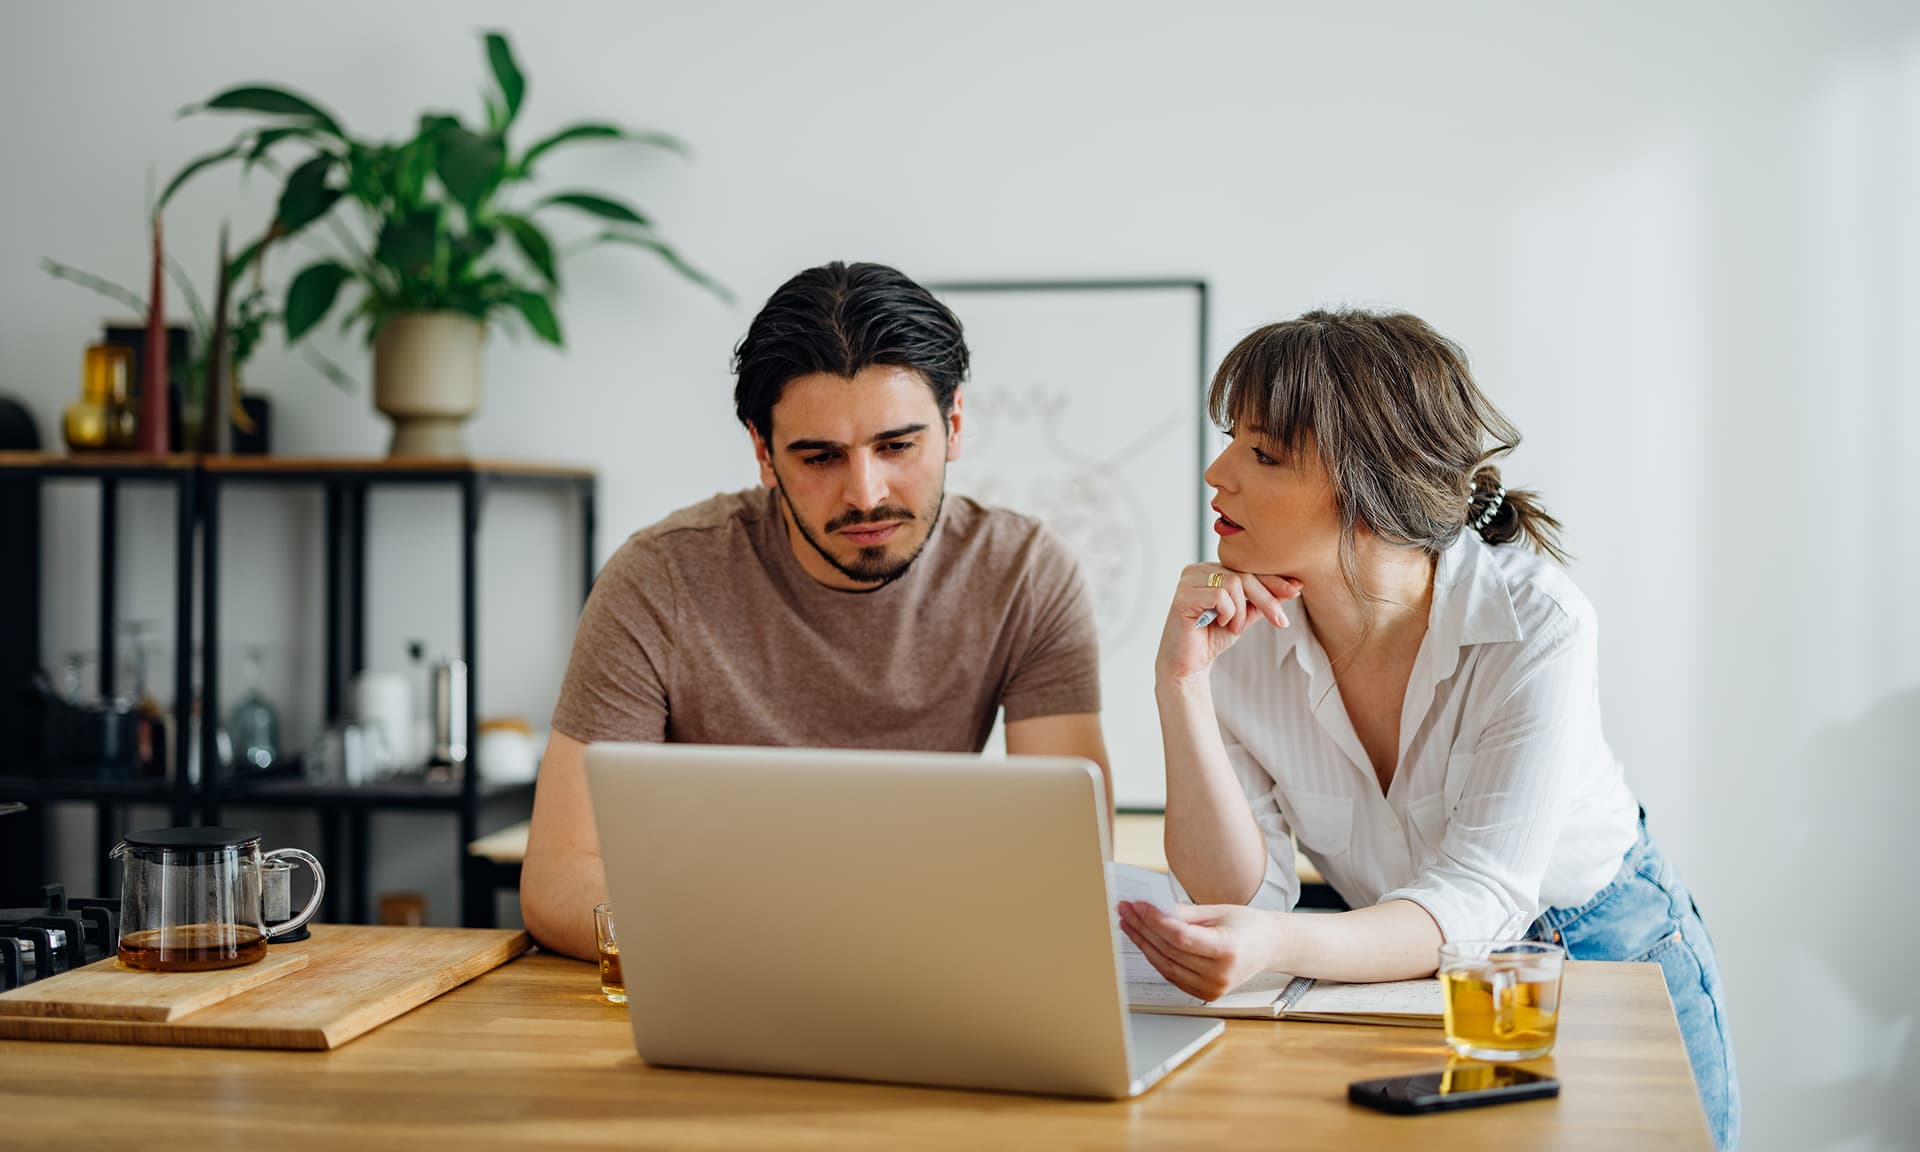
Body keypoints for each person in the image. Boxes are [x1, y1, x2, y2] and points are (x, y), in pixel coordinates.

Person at [1115, 309, 1738, 1149]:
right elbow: (1241, 898)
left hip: (1599, 958)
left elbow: (1482, 896)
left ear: (1369, 483)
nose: (1215, 472)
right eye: (1231, 439)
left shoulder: (1535, 621)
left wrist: (1273, 940)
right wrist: (1180, 684)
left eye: (1261, 454)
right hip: (1406, 975)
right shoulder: (1239, 638)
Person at [522, 261, 1109, 961]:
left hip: (923, 966)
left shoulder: (1024, 574)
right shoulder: (660, 579)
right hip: (718, 969)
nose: (865, 493)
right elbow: (558, 875)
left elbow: (1070, 864)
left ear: (953, 426)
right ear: (763, 453)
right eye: (820, 457)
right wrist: (753, 946)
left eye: (897, 446)